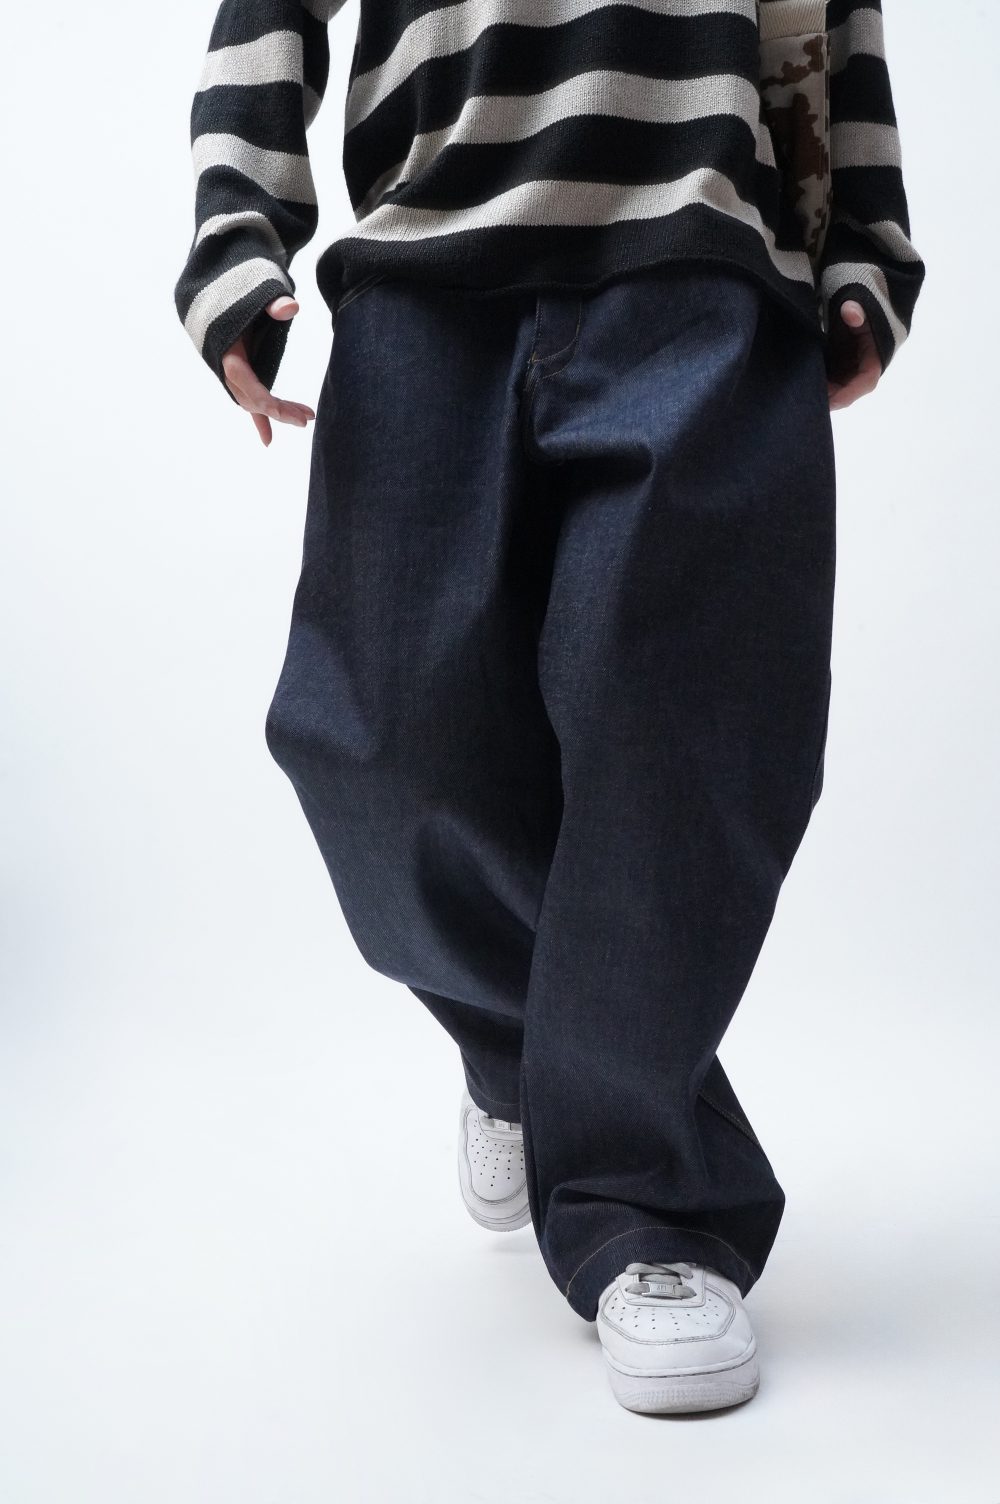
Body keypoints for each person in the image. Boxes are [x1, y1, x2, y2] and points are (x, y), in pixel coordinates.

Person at [174, 0, 924, 1415]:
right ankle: (525, 1051)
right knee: (373, 741)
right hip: (426, 261)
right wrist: (235, 234)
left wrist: (865, 252)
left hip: (701, 260)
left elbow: (834, 24)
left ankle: (651, 1211)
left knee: (677, 745)